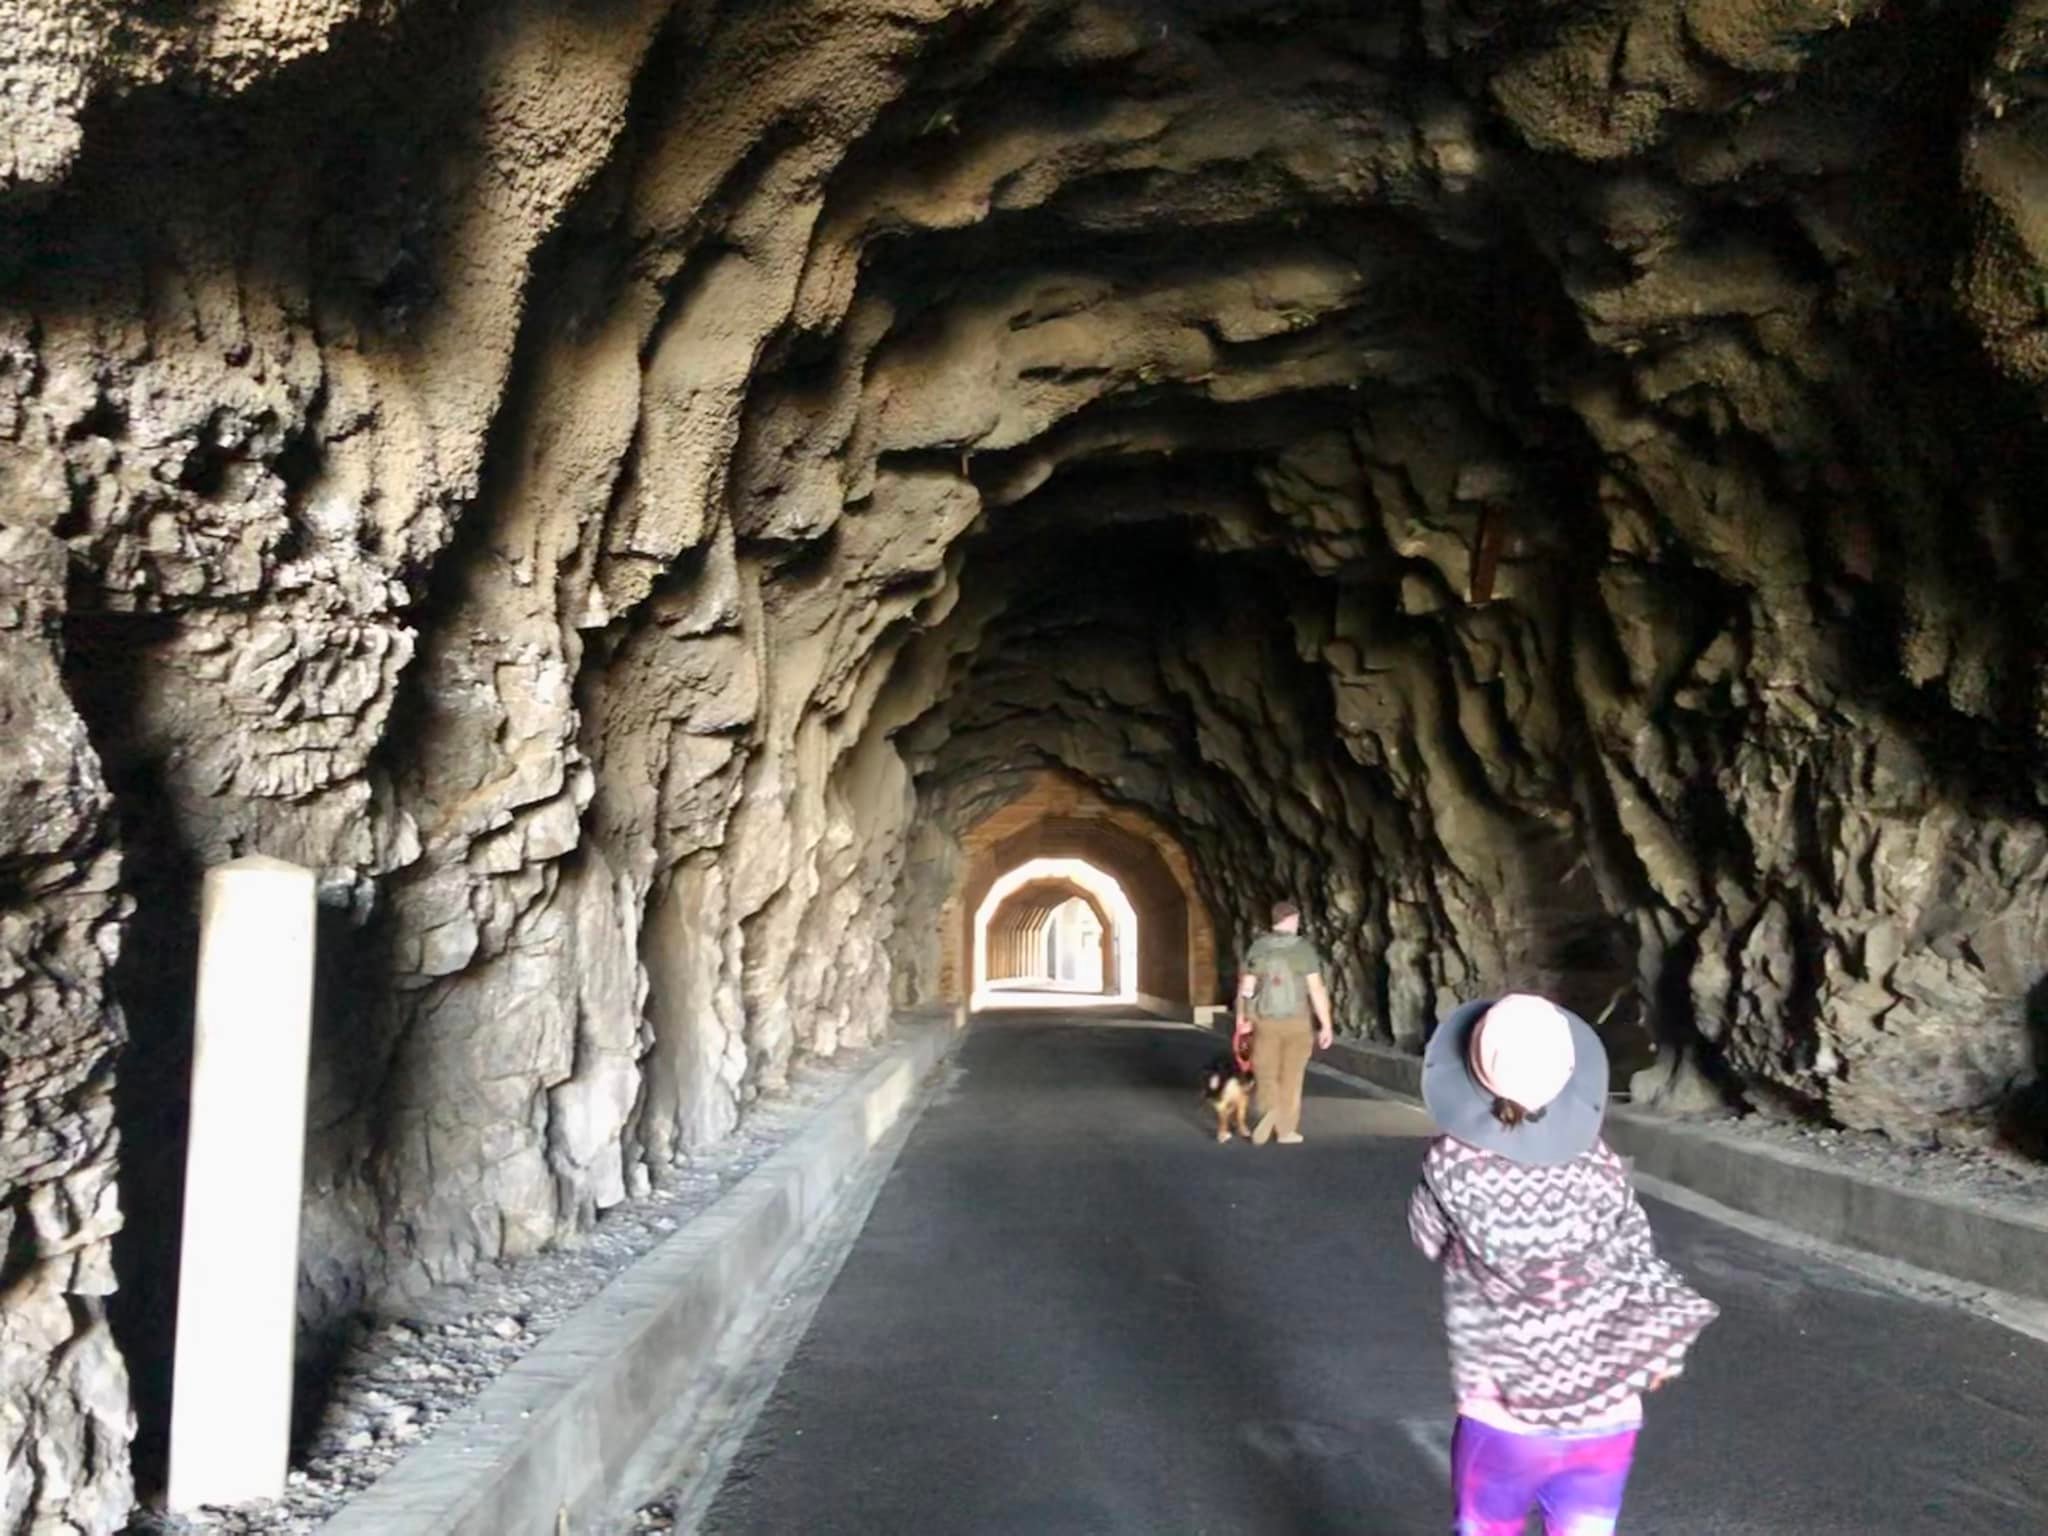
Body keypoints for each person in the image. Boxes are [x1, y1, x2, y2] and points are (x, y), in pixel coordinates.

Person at [1408, 992, 1718, 1536]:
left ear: (1474, 1071)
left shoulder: (1450, 1161)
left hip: (1503, 1415)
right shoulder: (1598, 1160)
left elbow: (1427, 1236)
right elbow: (1635, 1249)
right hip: (1607, 1412)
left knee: (1486, 1528)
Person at [1232, 899, 1334, 1145]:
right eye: (1297, 920)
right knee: (1292, 1076)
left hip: (1264, 1022)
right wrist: (1326, 1024)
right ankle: (1286, 1130)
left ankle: (1270, 1109)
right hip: (1297, 1023)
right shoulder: (1303, 950)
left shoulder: (1258, 948)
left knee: (1265, 1071)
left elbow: (1246, 988)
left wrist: (1242, 1019)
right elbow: (1316, 989)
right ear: (1291, 920)